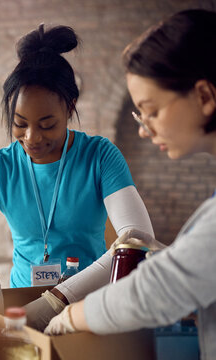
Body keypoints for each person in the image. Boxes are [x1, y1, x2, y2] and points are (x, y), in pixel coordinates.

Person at [0, 24, 154, 318]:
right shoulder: (0, 167)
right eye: (19, 123)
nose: (32, 138)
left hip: (88, 307)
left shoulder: (100, 156)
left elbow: (137, 239)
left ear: (70, 107)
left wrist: (57, 299)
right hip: (22, 305)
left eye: (46, 125)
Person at [43, 9, 216, 359]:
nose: (143, 128)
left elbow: (160, 290)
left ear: (204, 97)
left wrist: (70, 312)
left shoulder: (101, 154)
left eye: (151, 111)